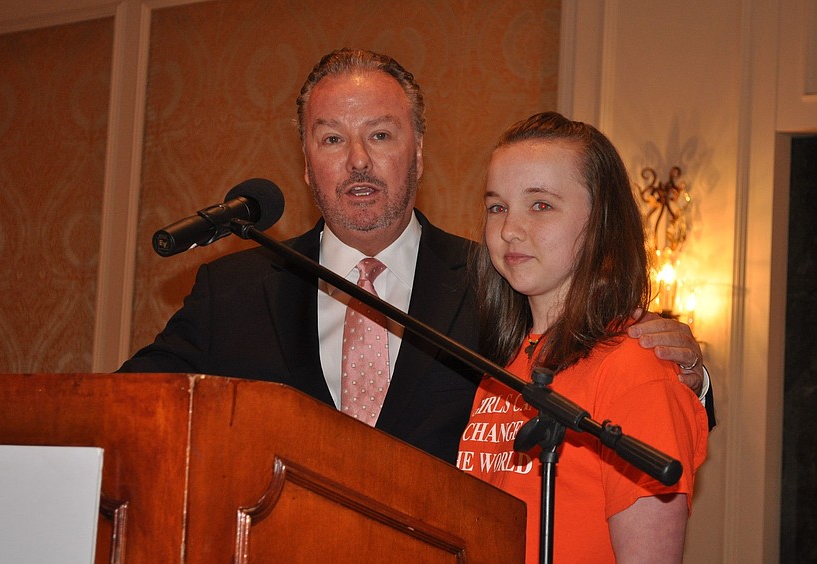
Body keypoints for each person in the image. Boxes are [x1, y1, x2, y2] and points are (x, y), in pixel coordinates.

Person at [120, 48, 711, 465]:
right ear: (305, 163)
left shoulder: (498, 278)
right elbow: (125, 409)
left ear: (419, 153)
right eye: (331, 139)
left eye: (380, 135)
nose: (357, 161)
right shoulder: (235, 289)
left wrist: (690, 374)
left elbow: (607, 395)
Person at [456, 112, 708, 562]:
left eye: (540, 205)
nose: (509, 228)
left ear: (601, 223)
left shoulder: (635, 368)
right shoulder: (506, 363)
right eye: (497, 206)